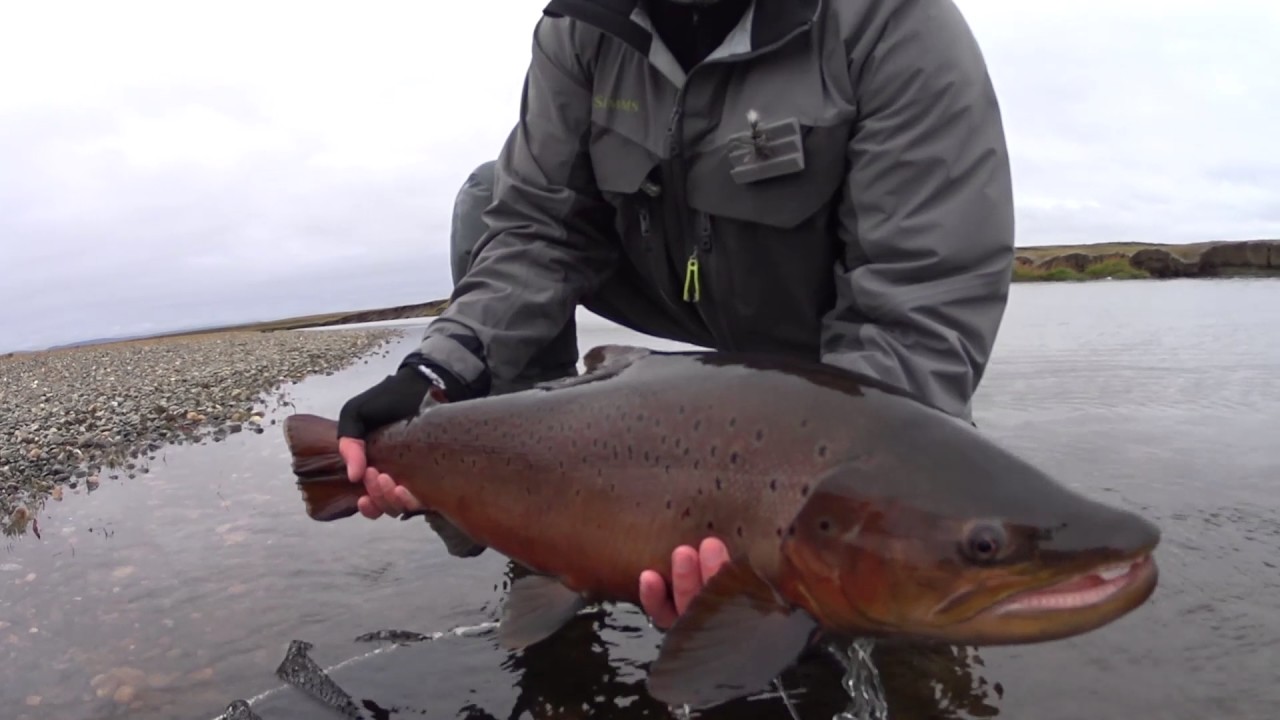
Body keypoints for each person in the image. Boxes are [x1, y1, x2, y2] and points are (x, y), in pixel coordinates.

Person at [336, 0, 1015, 631]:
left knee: (897, 582)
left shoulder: (891, 22)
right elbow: (535, 230)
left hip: (818, 322)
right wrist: (439, 367)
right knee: (485, 194)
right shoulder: (581, 26)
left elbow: (917, 300)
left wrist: (852, 508)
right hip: (663, 281)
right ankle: (540, 528)